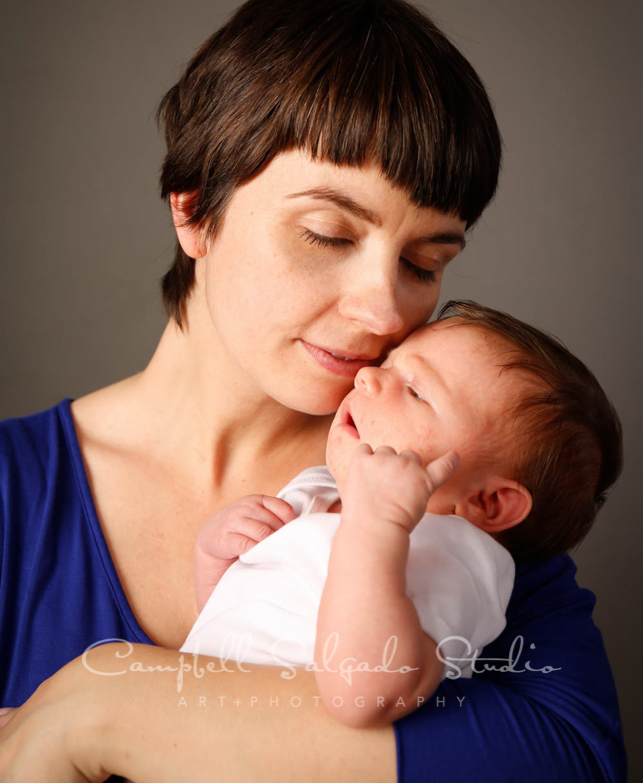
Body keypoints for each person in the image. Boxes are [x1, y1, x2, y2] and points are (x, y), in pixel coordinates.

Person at [0, 0, 627, 783]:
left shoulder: (454, 484)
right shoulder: (18, 495)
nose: (384, 308)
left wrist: (102, 709)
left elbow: (568, 766)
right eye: (327, 233)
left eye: (423, 263)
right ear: (194, 211)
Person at [179, 300, 622, 730]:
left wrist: (376, 529)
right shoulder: (315, 489)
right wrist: (215, 557)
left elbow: (365, 694)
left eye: (415, 390)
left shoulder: (457, 558)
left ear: (488, 503)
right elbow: (230, 623)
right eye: (389, 361)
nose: (368, 376)